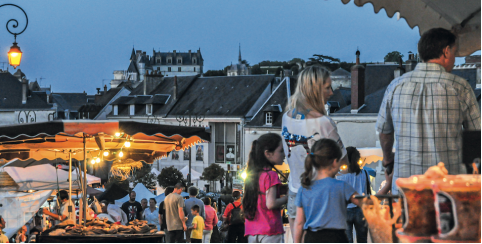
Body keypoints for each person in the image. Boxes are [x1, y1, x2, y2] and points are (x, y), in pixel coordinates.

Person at [377, 28, 481, 195]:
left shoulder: (396, 86)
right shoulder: (460, 87)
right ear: (446, 52)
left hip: (406, 188)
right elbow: (475, 136)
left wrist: (388, 158)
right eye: (454, 52)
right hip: (447, 189)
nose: (454, 59)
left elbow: (384, 132)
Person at [282, 65, 348, 237]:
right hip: (320, 199)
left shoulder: (286, 117)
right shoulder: (324, 123)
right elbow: (344, 163)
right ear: (315, 90)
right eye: (327, 88)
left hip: (295, 192)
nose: (331, 92)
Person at [294, 139, 362, 243]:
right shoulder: (342, 186)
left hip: (312, 238)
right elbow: (364, 203)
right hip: (336, 238)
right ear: (335, 162)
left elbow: (299, 223)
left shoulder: (304, 188)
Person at [336, 147, 393, 243]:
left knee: (346, 240)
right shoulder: (365, 173)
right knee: (362, 239)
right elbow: (367, 191)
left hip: (345, 210)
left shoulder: (339, 176)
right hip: (361, 209)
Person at [243, 133, 288, 243]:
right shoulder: (270, 175)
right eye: (281, 150)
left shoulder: (254, 175)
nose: (284, 154)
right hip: (270, 229)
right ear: (268, 153)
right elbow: (271, 203)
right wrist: (289, 197)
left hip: (252, 230)